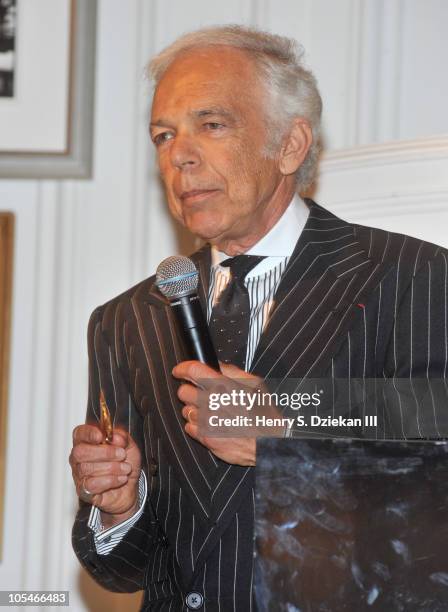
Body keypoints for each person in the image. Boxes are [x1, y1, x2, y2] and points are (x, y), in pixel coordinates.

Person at [70, 25, 448, 611]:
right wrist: (120, 505)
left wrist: (288, 432)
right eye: (163, 135)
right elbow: (126, 571)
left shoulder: (414, 276)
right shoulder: (128, 319)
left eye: (212, 124)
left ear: (291, 145)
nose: (180, 153)